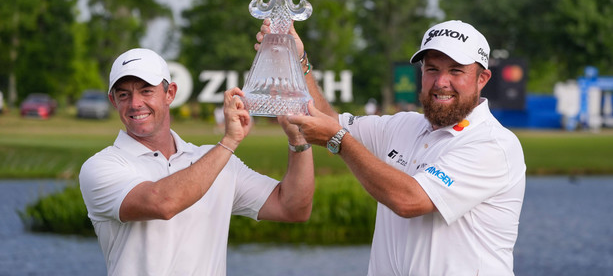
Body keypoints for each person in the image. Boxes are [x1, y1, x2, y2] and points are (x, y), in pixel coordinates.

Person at [256, 19, 526, 275]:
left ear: (483, 79)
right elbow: (325, 119)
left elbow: (410, 200)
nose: (442, 82)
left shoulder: (492, 144)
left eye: (456, 70)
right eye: (432, 69)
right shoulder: (403, 125)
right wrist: (297, 61)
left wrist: (338, 139)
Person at [79, 48, 314, 276]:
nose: (135, 103)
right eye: (123, 94)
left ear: (170, 93)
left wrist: (299, 140)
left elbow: (293, 208)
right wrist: (229, 142)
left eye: (146, 91)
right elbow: (163, 203)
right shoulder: (101, 166)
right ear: (113, 100)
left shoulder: (217, 161)